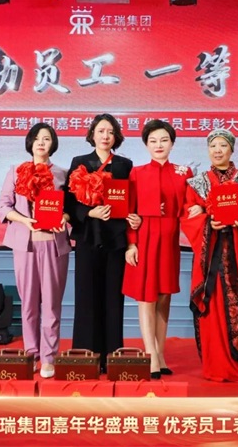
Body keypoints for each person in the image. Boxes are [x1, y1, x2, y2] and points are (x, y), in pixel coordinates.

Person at [181, 128, 238, 382]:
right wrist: (208, 222)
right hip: (211, 257)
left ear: (232, 149)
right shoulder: (196, 184)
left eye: (223, 145)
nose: (217, 150)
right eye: (213, 146)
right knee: (214, 309)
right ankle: (217, 366)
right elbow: (188, 216)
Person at [122, 120, 198, 379]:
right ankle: (150, 355)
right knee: (146, 297)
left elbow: (189, 206)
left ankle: (161, 353)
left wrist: (199, 208)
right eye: (153, 141)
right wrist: (131, 243)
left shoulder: (184, 172)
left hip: (170, 240)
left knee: (164, 296)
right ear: (146, 144)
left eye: (164, 140)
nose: (158, 145)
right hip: (144, 239)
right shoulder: (137, 173)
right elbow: (130, 210)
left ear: (172, 143)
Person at [65, 113, 140, 373]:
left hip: (115, 238)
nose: (105, 136)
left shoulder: (124, 165)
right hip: (88, 237)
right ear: (92, 135)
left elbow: (132, 200)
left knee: (113, 298)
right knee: (86, 296)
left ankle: (112, 356)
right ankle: (86, 356)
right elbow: (69, 202)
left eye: (110, 131)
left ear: (116, 136)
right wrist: (90, 213)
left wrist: (135, 217)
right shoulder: (80, 162)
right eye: (101, 131)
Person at [0, 122, 70, 379]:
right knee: (28, 304)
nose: (41, 142)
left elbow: (71, 209)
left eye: (47, 138)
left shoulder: (63, 174)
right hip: (24, 245)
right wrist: (23, 220)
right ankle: (32, 354)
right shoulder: (16, 172)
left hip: (54, 245)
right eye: (37, 138)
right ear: (30, 142)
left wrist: (64, 217)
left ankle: (49, 357)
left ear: (53, 144)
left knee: (51, 304)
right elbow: (3, 206)